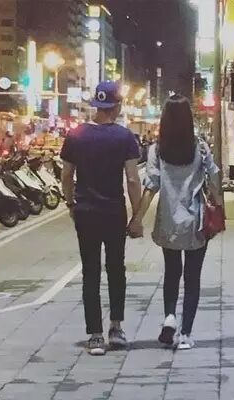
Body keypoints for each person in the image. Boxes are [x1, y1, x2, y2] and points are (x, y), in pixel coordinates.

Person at [128, 94, 221, 350]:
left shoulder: (157, 150)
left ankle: (169, 316)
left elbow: (151, 187)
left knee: (171, 272)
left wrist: (137, 219)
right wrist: (219, 206)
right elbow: (214, 178)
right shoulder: (200, 147)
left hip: (169, 221)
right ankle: (186, 334)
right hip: (196, 222)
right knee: (192, 277)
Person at [61, 81, 142, 356]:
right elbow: (133, 179)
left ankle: (95, 335)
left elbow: (67, 175)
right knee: (116, 269)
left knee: (90, 271)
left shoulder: (75, 135)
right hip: (114, 212)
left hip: (85, 212)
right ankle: (116, 328)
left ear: (97, 105)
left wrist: (70, 203)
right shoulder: (124, 137)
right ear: (117, 106)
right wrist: (137, 216)